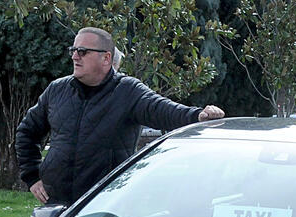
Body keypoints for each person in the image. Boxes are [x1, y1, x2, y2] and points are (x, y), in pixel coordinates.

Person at [16, 27, 225, 206]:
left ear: (106, 58)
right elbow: (26, 132)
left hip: (104, 206)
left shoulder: (128, 91)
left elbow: (163, 111)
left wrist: (199, 115)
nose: (74, 56)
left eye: (82, 51)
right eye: (73, 50)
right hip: (56, 205)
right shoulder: (57, 90)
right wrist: (32, 177)